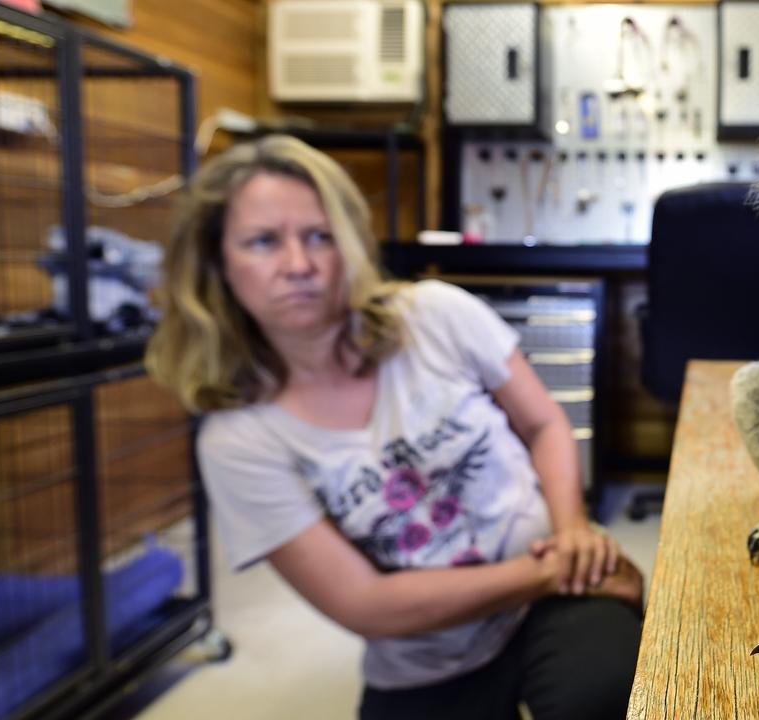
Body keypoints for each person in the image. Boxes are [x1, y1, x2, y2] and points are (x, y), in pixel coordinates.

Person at [146, 135, 643, 720]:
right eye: (263, 242)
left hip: (557, 598)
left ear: (350, 243)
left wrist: (574, 534)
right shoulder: (239, 439)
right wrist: (551, 571)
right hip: (431, 655)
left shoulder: (435, 314)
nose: (299, 265)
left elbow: (543, 424)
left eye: (319, 236)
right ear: (217, 266)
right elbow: (367, 604)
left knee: (610, 692)